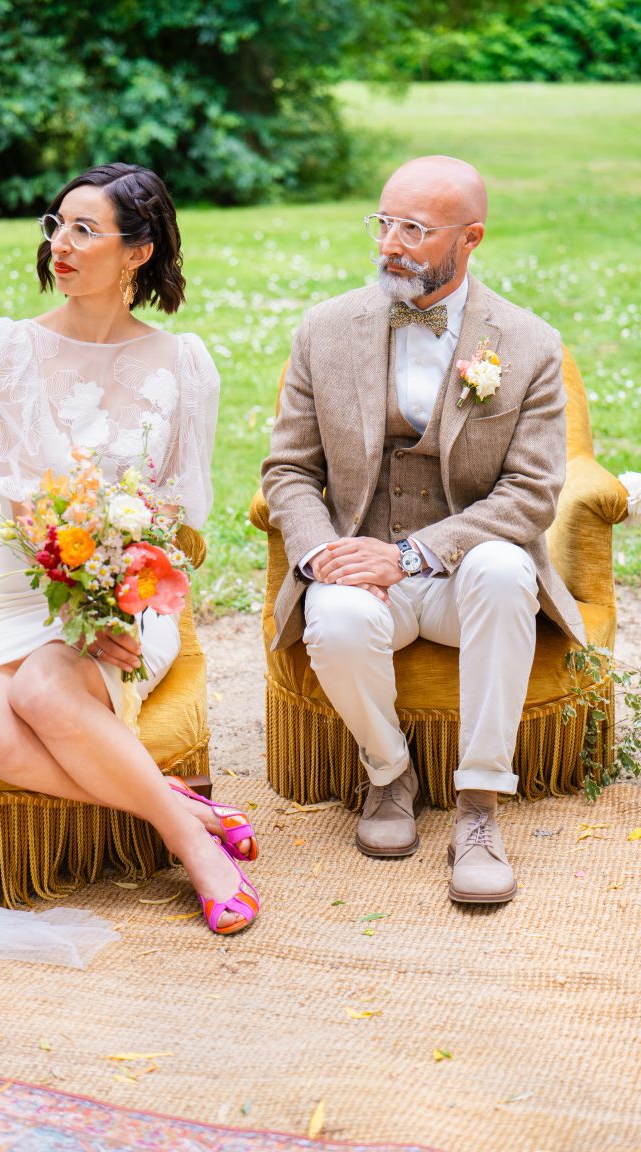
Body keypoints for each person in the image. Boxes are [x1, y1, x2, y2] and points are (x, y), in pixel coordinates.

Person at [0, 162, 258, 936]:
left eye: (85, 230)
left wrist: (115, 605)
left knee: (44, 691)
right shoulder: (5, 351)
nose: (61, 245)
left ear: (137, 252)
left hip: (131, 595)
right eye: (57, 226)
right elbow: (4, 499)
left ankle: (195, 853)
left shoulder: (183, 364)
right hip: (23, 586)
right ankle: (185, 811)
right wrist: (73, 590)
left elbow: (178, 514)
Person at [261, 155, 585, 905]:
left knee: (505, 569)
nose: (390, 244)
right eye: (384, 223)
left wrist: (411, 554)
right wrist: (325, 555)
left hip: (462, 577)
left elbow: (532, 492)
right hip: (361, 564)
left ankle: (479, 807)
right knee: (336, 617)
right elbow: (288, 470)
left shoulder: (529, 344)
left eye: (415, 229)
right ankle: (389, 775)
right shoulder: (324, 329)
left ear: (470, 238)